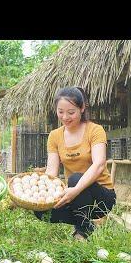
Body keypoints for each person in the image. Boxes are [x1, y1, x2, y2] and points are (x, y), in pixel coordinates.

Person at [35, 86, 116, 240]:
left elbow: (99, 164)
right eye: (60, 112)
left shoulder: (95, 130)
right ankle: (86, 223)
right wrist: (39, 192)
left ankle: (82, 232)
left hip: (101, 197)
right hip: (73, 196)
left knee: (75, 178)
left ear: (82, 108)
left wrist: (76, 189)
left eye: (71, 112)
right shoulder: (54, 136)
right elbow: (51, 172)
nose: (65, 117)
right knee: (40, 210)